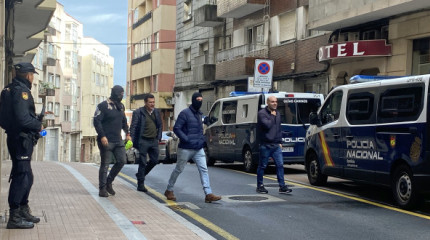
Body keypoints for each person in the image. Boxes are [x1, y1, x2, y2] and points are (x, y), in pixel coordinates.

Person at [164, 92, 221, 203]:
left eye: (201, 99)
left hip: (198, 148)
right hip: (185, 148)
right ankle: (169, 190)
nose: (199, 101)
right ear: (193, 100)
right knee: (179, 169)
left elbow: (199, 129)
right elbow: (177, 128)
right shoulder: (184, 113)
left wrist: (202, 139)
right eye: (197, 99)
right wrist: (186, 139)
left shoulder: (199, 114)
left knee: (204, 169)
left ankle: (208, 193)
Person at [6, 62, 43, 229]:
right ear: (28, 75)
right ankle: (14, 216)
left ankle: (22, 209)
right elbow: (22, 118)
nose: (33, 78)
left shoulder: (10, 89)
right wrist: (38, 126)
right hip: (21, 139)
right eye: (32, 75)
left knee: (26, 176)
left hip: (17, 138)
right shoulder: (21, 92)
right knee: (22, 176)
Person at [94, 85, 131, 197]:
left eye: (122, 94)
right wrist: (102, 136)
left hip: (118, 140)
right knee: (105, 165)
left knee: (121, 161)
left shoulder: (121, 106)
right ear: (115, 93)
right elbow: (97, 121)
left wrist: (128, 133)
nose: (121, 95)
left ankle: (109, 182)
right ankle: (102, 189)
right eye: (120, 93)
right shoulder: (103, 106)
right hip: (106, 140)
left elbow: (124, 121)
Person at [256, 96, 292, 194]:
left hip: (276, 145)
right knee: (262, 166)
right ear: (268, 103)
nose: (275, 103)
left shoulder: (278, 114)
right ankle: (260, 186)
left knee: (280, 165)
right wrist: (272, 116)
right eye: (272, 102)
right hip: (265, 145)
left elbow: (278, 129)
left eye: (276, 102)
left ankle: (282, 186)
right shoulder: (261, 113)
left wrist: (280, 142)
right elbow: (267, 125)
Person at [130, 93, 162, 192]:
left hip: (153, 140)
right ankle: (140, 185)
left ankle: (141, 175)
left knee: (154, 160)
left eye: (153, 102)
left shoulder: (156, 112)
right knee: (143, 162)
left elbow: (160, 125)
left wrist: (159, 137)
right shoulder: (138, 112)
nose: (152, 104)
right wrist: (132, 138)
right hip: (143, 140)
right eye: (150, 102)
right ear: (145, 103)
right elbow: (134, 126)